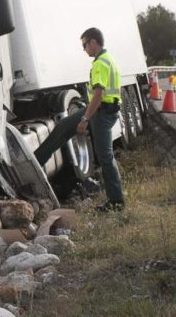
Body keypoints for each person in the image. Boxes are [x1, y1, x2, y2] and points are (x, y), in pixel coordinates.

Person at [34, 27, 125, 212]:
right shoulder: (108, 60)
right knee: (64, 126)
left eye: (85, 45)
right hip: (102, 110)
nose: (84, 49)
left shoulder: (100, 64)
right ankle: (35, 162)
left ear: (93, 42)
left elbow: (98, 95)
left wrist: (84, 119)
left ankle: (116, 202)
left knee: (105, 157)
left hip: (101, 113)